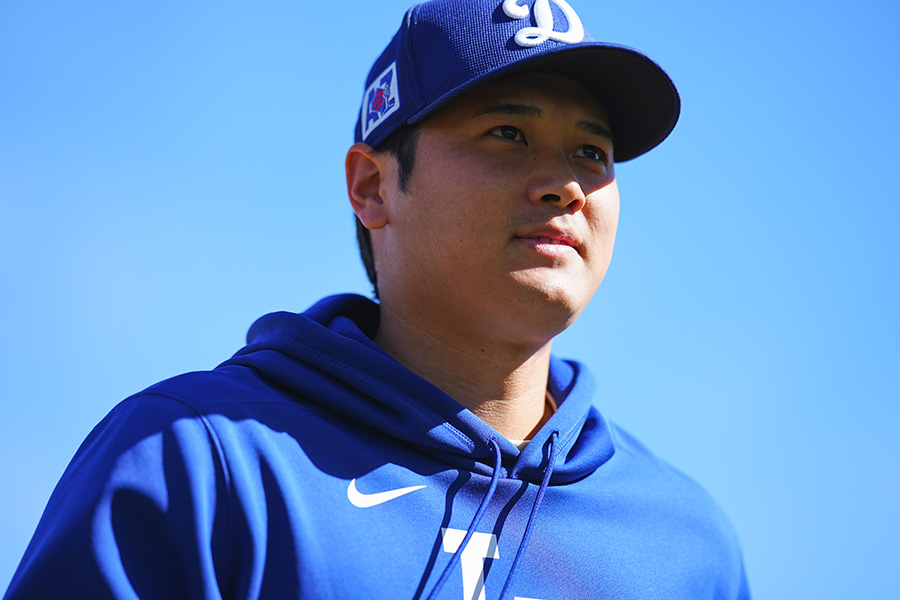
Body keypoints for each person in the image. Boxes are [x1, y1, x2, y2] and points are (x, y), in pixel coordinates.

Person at [4, 0, 750, 598]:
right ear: (371, 186)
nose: (566, 183)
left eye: (592, 151)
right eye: (507, 132)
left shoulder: (685, 546)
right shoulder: (199, 459)